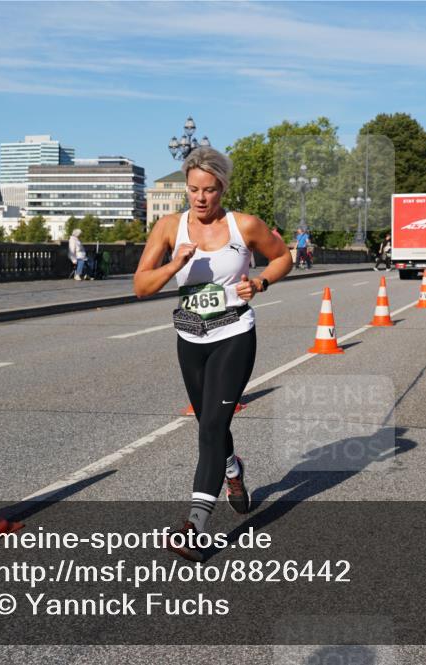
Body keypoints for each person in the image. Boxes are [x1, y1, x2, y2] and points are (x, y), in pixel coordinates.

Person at [134, 147, 292, 562]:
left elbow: (283, 256)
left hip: (234, 334)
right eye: (193, 190)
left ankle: (195, 525)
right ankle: (232, 469)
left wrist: (259, 283)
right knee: (210, 425)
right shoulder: (170, 227)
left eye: (209, 190)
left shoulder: (244, 226)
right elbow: (140, 286)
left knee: (210, 429)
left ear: (222, 188)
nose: (201, 199)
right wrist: (173, 266)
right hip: (190, 338)